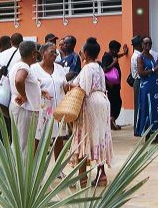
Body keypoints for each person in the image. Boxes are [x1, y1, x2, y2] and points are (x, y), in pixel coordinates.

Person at [69, 38, 113, 187]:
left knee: (84, 137)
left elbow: (84, 89)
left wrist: (70, 86)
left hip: (90, 103)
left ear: (86, 53)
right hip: (103, 101)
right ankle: (101, 175)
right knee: (99, 136)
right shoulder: (99, 67)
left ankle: (81, 178)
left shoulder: (87, 68)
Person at [31, 42, 68, 158]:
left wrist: (69, 86)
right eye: (51, 52)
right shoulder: (34, 69)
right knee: (38, 138)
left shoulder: (60, 69)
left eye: (55, 52)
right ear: (43, 53)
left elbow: (64, 85)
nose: (55, 55)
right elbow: (31, 88)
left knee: (59, 137)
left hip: (58, 109)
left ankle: (58, 170)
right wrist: (41, 92)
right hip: (43, 110)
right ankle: (33, 170)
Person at [134, 37, 158, 140]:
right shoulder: (140, 57)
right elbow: (141, 73)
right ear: (142, 45)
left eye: (150, 43)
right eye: (146, 43)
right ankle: (148, 135)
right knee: (148, 109)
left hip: (156, 86)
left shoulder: (151, 56)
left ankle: (157, 135)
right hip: (147, 88)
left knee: (157, 108)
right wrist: (154, 69)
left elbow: (156, 70)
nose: (148, 45)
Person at [9, 41, 42, 147]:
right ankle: (22, 164)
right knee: (24, 145)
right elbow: (19, 80)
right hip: (25, 109)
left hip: (20, 108)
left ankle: (18, 163)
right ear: (33, 53)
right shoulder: (24, 67)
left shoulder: (17, 65)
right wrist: (23, 96)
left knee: (19, 143)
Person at [99, 40, 127, 130]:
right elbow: (104, 69)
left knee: (116, 102)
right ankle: (111, 119)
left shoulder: (112, 55)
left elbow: (116, 56)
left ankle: (112, 121)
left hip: (115, 85)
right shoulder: (106, 57)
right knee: (115, 103)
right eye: (117, 50)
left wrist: (124, 54)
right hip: (111, 86)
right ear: (113, 49)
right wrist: (113, 63)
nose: (118, 51)